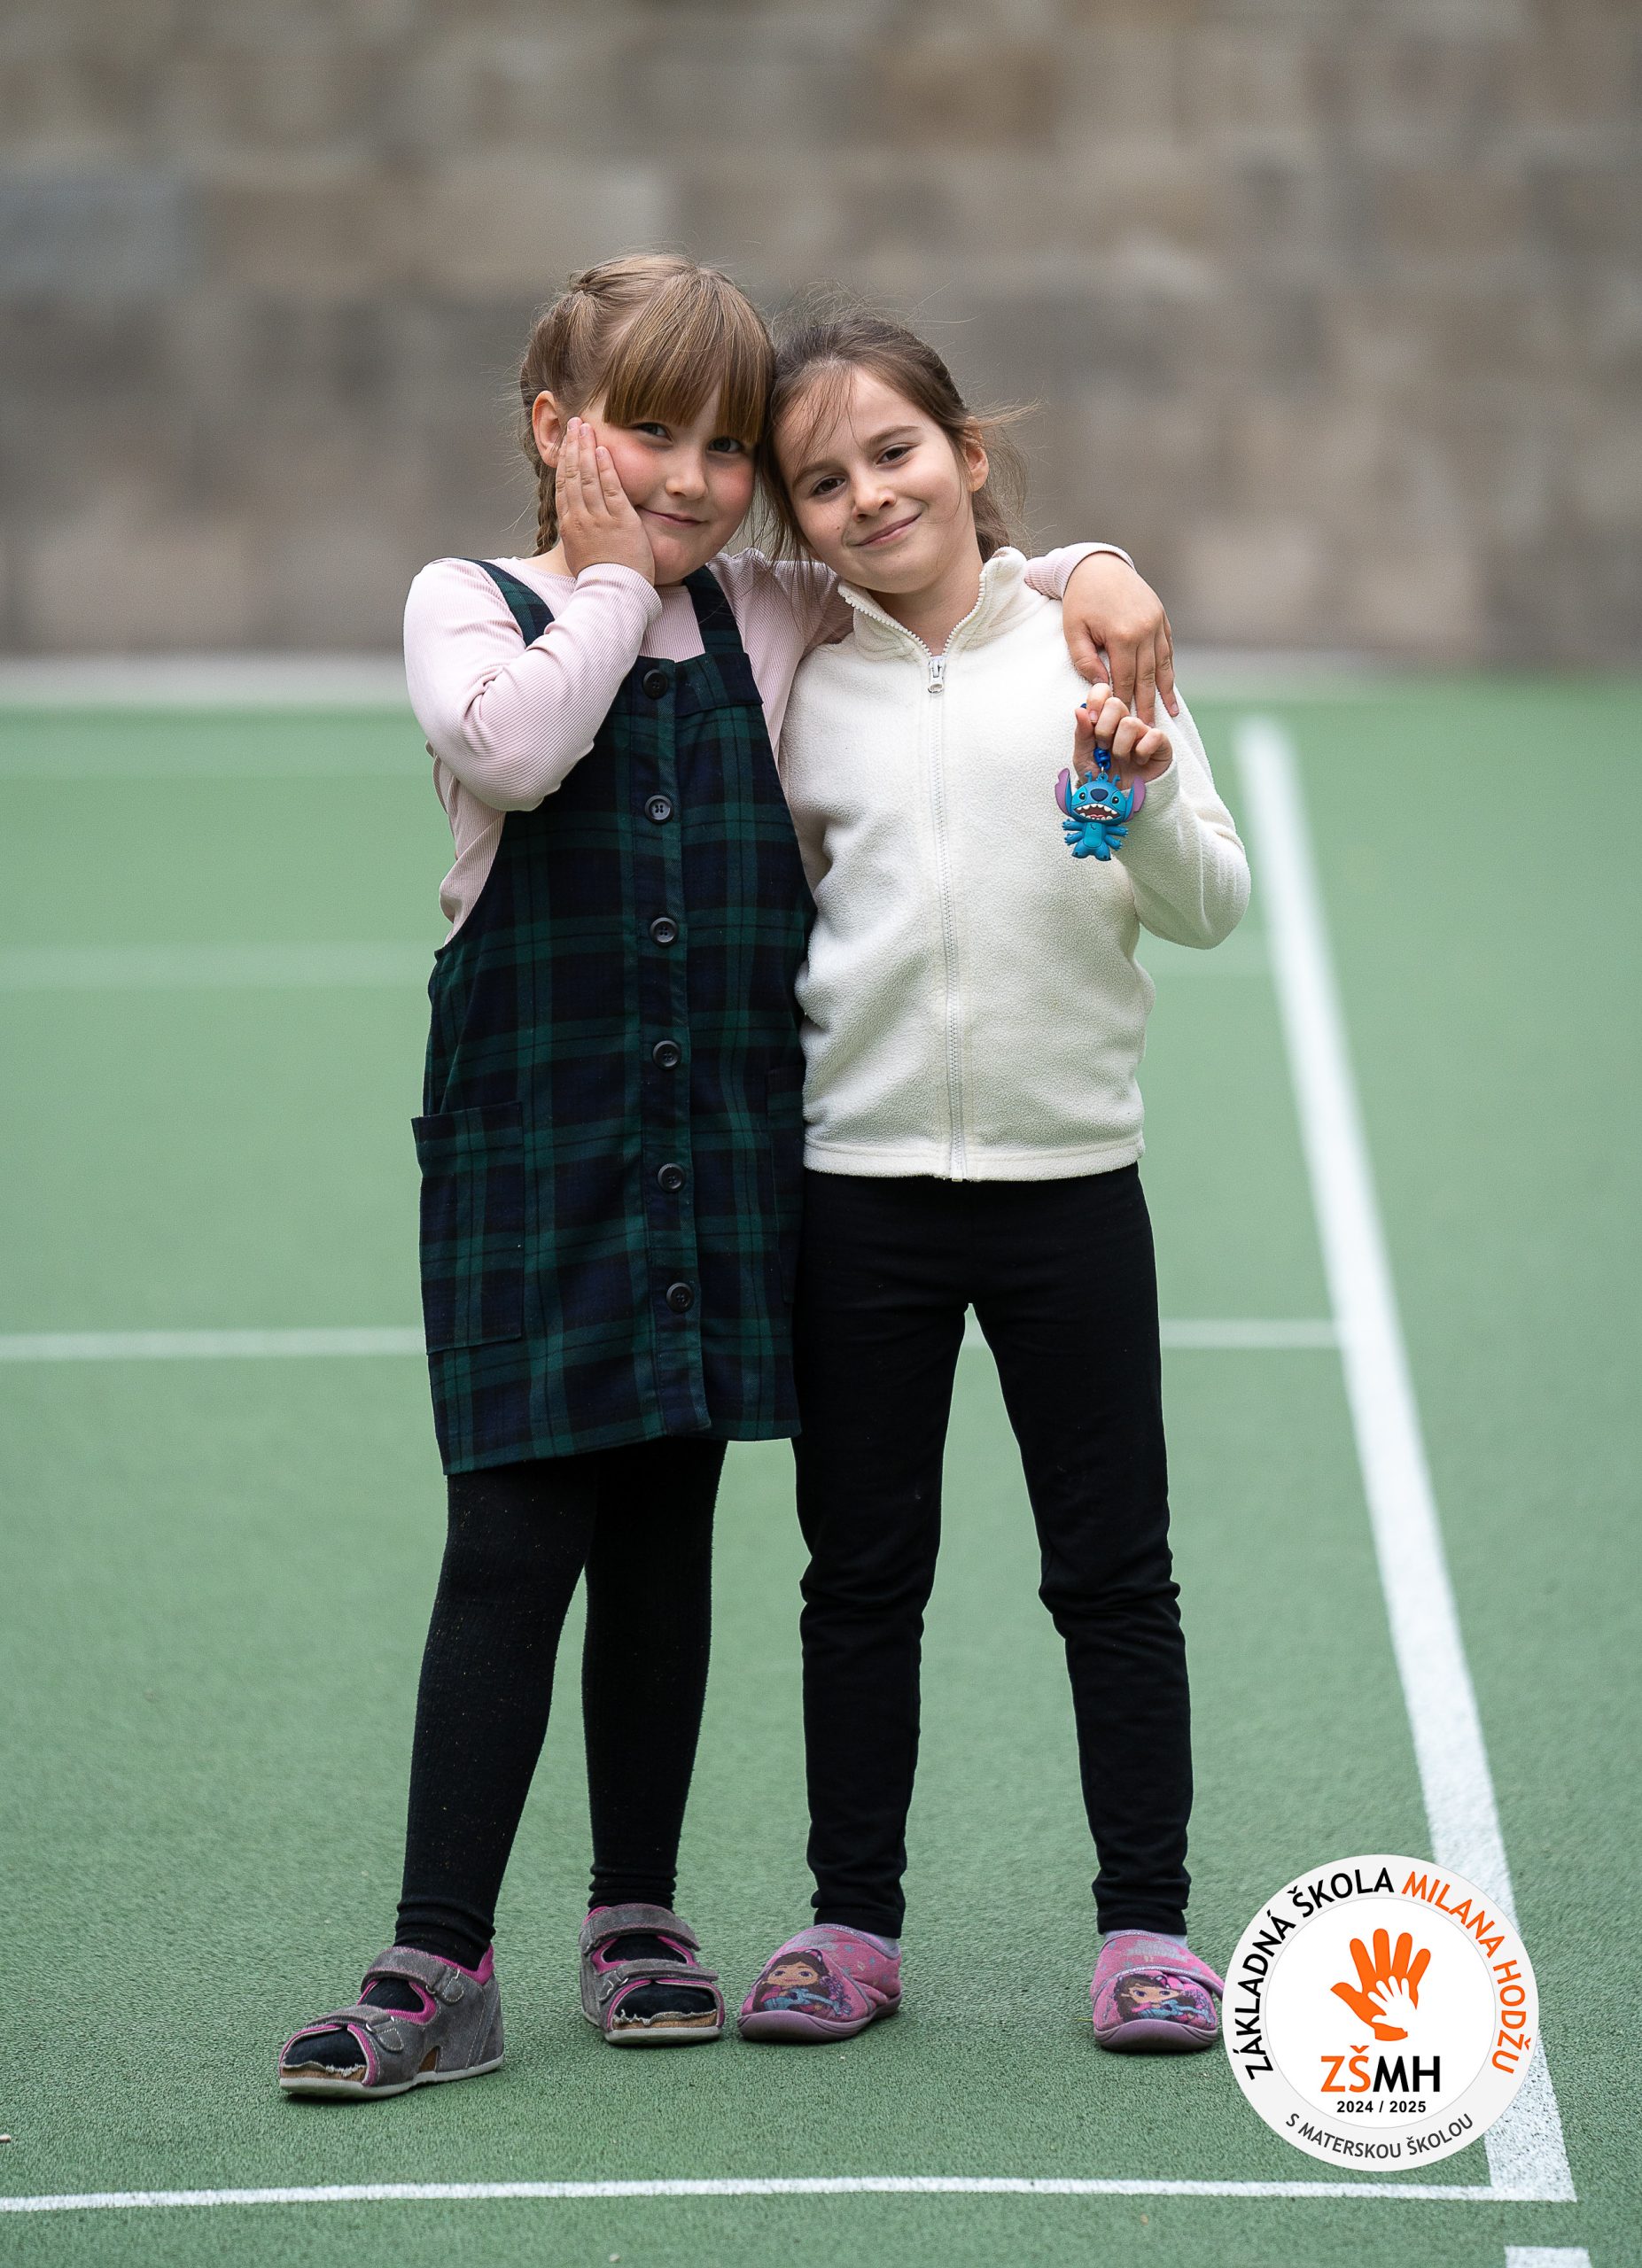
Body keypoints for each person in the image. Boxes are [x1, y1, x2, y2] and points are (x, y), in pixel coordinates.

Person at [275, 255, 1177, 2096]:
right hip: (535, 1146)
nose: (688, 481)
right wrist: (614, 578)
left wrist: (1090, 563)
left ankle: (638, 1916)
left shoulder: (767, 613)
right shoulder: (470, 604)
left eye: (719, 451)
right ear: (554, 428)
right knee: (511, 1540)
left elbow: (939, 563)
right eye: (646, 436)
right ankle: (437, 1954)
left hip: (713, 1157)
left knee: (663, 1536)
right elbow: (516, 749)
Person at [739, 307, 1247, 2055]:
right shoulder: (807, 680)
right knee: (859, 1579)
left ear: (965, 454)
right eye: (824, 481)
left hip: (1069, 1189)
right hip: (858, 1195)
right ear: (797, 520)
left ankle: (1146, 1930)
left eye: (894, 451)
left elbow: (1200, 903)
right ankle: (848, 1925)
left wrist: (1140, 798)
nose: (870, 495)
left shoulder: (1090, 644)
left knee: (1111, 1575)